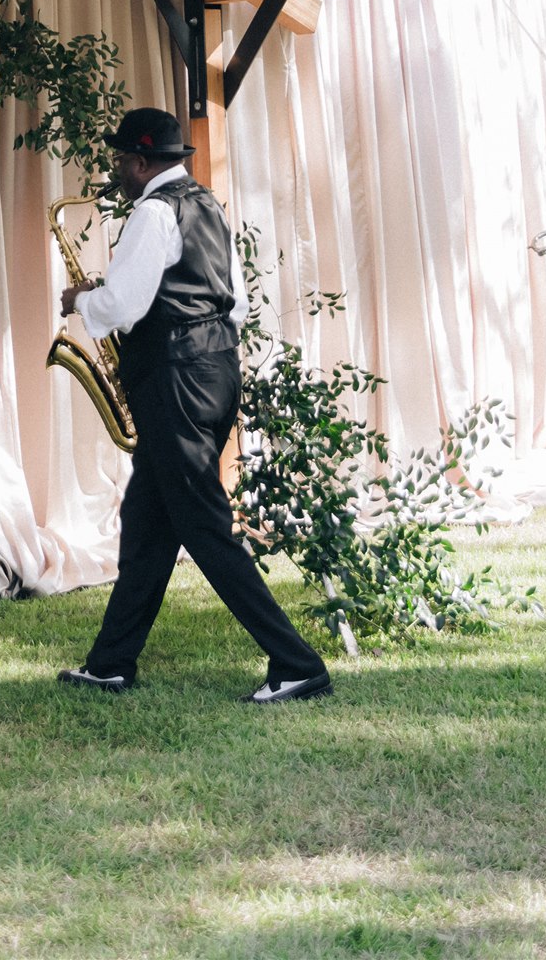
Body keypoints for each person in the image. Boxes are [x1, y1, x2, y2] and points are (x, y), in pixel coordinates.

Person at [56, 108, 332, 703]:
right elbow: (237, 306)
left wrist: (82, 298)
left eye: (120, 162)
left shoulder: (153, 212)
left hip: (176, 377)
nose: (118, 174)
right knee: (148, 522)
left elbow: (125, 304)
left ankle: (297, 664)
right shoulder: (206, 205)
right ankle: (110, 662)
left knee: (203, 527)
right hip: (214, 367)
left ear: (139, 160)